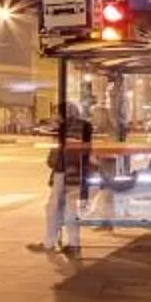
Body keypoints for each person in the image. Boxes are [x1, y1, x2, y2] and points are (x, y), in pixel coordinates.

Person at [36, 107, 91, 256]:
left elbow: (53, 159)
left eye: (56, 114)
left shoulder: (65, 129)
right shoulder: (83, 126)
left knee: (57, 207)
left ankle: (54, 243)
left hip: (66, 172)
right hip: (75, 172)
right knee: (65, 207)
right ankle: (70, 244)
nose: (55, 116)